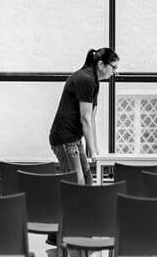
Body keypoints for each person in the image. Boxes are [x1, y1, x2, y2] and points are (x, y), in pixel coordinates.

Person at [49, 47, 119, 185]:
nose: (115, 72)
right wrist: (92, 152)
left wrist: (95, 149)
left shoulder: (94, 81)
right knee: (77, 184)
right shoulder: (86, 79)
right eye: (113, 67)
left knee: (88, 182)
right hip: (65, 138)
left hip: (74, 139)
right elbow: (85, 119)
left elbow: (92, 119)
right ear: (101, 65)